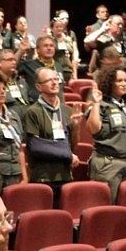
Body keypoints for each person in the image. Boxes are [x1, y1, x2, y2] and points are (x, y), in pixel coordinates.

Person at [21, 67, 79, 197]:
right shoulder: (33, 111)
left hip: (65, 175)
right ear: (38, 87)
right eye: (49, 80)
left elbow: (72, 146)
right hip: (43, 177)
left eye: (56, 79)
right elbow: (35, 147)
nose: (54, 83)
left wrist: (75, 127)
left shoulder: (67, 110)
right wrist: (66, 155)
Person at [86, 66, 126, 200]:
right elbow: (93, 129)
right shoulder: (102, 105)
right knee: (107, 209)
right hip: (108, 164)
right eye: (119, 81)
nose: (124, 84)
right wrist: (96, 103)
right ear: (110, 83)